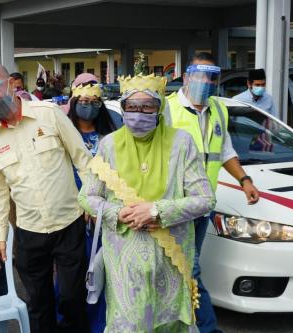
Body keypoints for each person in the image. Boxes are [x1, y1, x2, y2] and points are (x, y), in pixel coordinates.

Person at [78, 73, 216, 332]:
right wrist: (119, 213)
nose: (138, 113)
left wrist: (156, 211)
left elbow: (205, 199)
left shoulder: (181, 143)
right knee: (129, 325)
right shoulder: (109, 145)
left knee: (169, 324)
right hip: (124, 267)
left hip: (170, 262)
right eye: (132, 107)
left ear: (160, 108)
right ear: (123, 108)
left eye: (147, 107)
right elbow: (87, 197)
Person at [0, 64, 92, 333]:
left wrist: (90, 199)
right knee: (38, 305)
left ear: (10, 85)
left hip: (69, 224)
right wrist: (1, 237)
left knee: (73, 299)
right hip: (29, 232)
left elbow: (82, 160)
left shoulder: (48, 114)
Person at [164, 52, 260, 333]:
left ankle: (183, 322)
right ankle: (206, 328)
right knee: (188, 268)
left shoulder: (218, 109)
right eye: (200, 74)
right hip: (176, 206)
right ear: (186, 77)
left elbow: (225, 149)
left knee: (185, 269)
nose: (206, 81)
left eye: (211, 76)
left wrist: (244, 180)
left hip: (203, 206)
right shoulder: (167, 109)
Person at [67, 82, 117, 333]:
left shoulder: (111, 136)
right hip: (71, 211)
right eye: (83, 102)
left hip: (102, 211)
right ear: (74, 103)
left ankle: (100, 323)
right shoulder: (66, 133)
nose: (88, 107)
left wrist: (99, 205)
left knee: (99, 269)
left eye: (94, 102)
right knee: (74, 272)